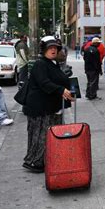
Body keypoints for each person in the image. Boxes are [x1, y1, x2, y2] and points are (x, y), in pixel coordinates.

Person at [22, 36, 73, 173]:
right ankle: (34, 162)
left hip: (51, 107)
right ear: (44, 49)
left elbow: (56, 80)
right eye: (50, 48)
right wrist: (61, 89)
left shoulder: (53, 64)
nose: (53, 50)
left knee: (50, 134)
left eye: (55, 48)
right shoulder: (40, 64)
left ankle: (46, 159)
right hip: (39, 108)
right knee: (40, 135)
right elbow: (44, 82)